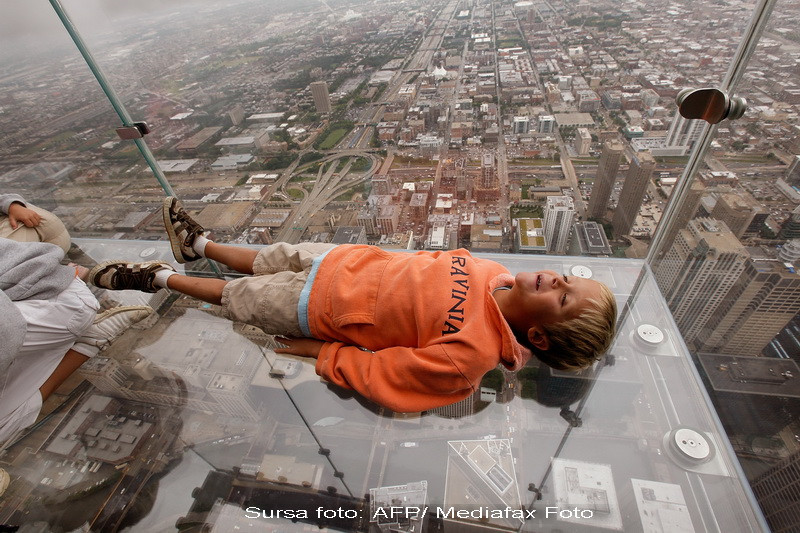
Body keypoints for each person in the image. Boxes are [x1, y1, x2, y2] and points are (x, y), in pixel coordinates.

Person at [88, 197, 617, 413]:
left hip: (321, 308)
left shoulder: (470, 356)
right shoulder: (497, 275)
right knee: (268, 259)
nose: (553, 276)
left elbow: (389, 376)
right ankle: (199, 246)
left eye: (562, 295)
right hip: (348, 262)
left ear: (541, 336)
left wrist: (322, 354)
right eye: (566, 277)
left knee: (239, 294)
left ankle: (159, 278)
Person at [0, 194, 152, 455]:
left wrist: (9, 204)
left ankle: (85, 336)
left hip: (55, 295)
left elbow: (8, 331)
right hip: (39, 292)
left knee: (76, 308)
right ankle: (88, 343)